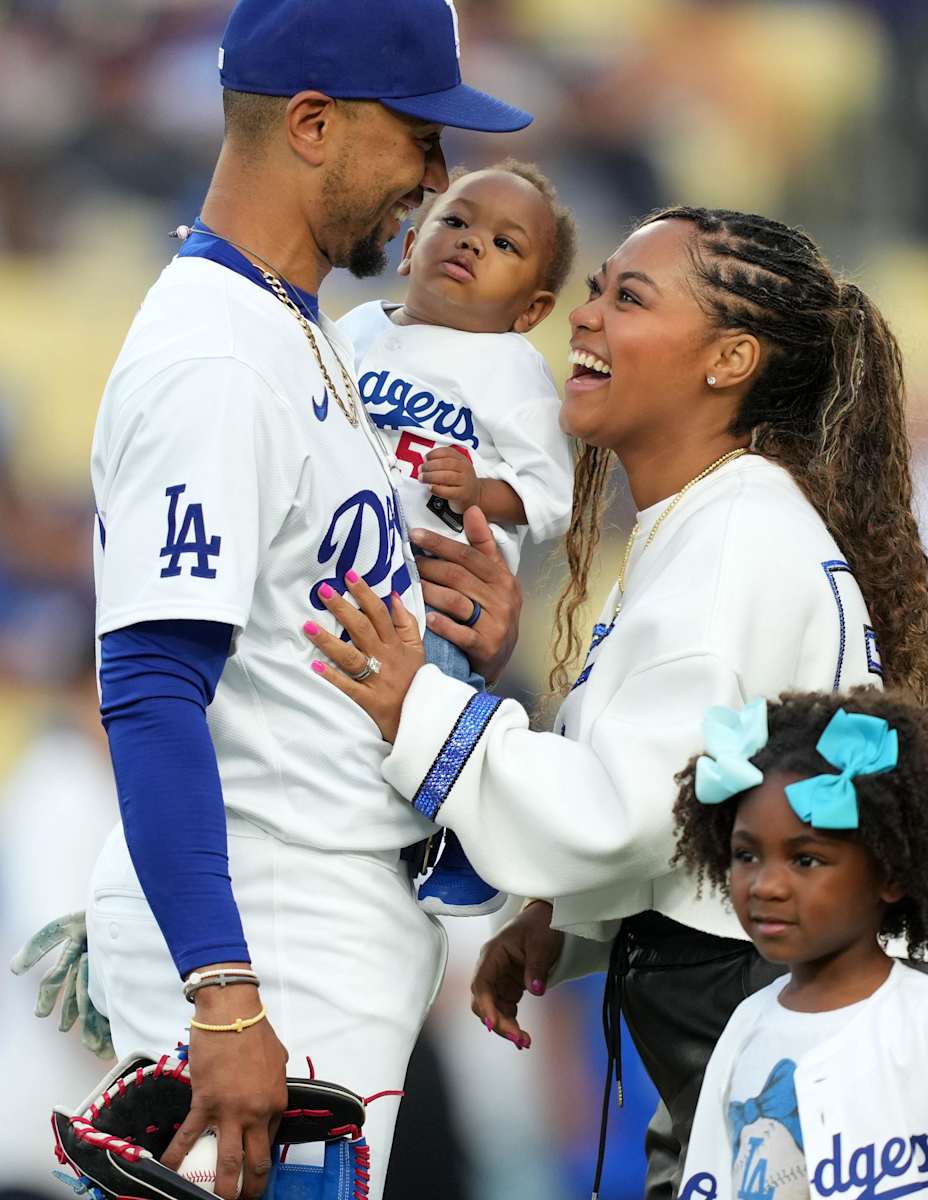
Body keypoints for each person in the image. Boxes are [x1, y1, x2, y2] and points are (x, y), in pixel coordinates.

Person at [303, 206, 928, 1198]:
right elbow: (706, 802)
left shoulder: (730, 540)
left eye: (628, 297)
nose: (584, 317)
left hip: (796, 1079)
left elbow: (625, 816)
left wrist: (418, 704)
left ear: (728, 358)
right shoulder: (717, 522)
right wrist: (563, 922)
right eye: (597, 287)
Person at [55, 2, 528, 1197]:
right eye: (417, 136)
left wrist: (458, 636)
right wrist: (221, 995)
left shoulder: (285, 324)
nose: (436, 176)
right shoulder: (216, 355)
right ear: (312, 123)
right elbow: (153, 687)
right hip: (268, 928)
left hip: (313, 920)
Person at [672, 690, 928, 1200]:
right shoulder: (744, 1028)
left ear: (890, 874)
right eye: (746, 855)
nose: (766, 884)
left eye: (805, 860)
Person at [339, 160, 578, 915]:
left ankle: (461, 839)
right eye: (457, 221)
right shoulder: (355, 329)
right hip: (346, 564)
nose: (472, 243)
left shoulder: (513, 370)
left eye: (505, 244)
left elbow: (551, 498)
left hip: (439, 585)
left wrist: (479, 491)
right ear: (409, 246)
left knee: (431, 704)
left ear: (531, 307)